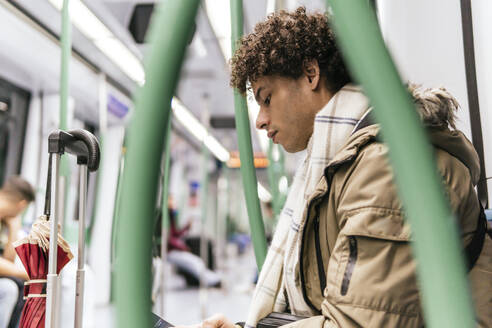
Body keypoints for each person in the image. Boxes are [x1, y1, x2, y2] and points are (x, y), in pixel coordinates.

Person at [177, 7, 492, 328]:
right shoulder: (340, 169)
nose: (260, 121)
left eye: (266, 98)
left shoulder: (385, 168)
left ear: (311, 74)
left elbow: (358, 323)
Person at [0, 176, 34, 328]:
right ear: (22, 205)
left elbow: (8, 261)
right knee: (11, 287)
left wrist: (14, 228)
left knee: (22, 285)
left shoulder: (5, 220)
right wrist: (29, 274)